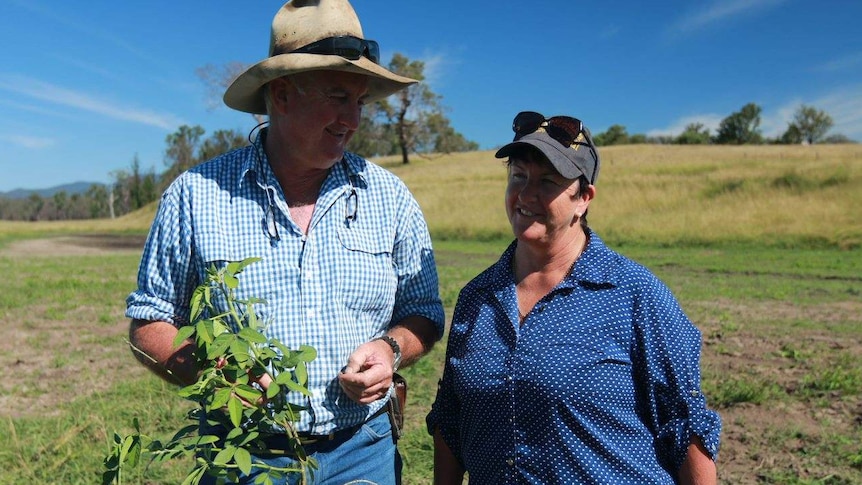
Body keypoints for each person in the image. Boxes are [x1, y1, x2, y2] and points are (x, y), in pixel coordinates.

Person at [125, 1, 445, 484]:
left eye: (359, 102)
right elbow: (149, 322)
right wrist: (219, 376)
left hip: (365, 450)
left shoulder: (389, 196)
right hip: (245, 457)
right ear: (281, 95)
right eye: (338, 96)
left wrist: (392, 349)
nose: (352, 119)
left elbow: (424, 310)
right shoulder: (196, 194)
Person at [426, 111, 721, 484]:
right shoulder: (477, 298)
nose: (526, 194)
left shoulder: (633, 293)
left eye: (548, 182)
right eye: (518, 176)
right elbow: (452, 421)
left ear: (583, 198)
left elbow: (684, 425)